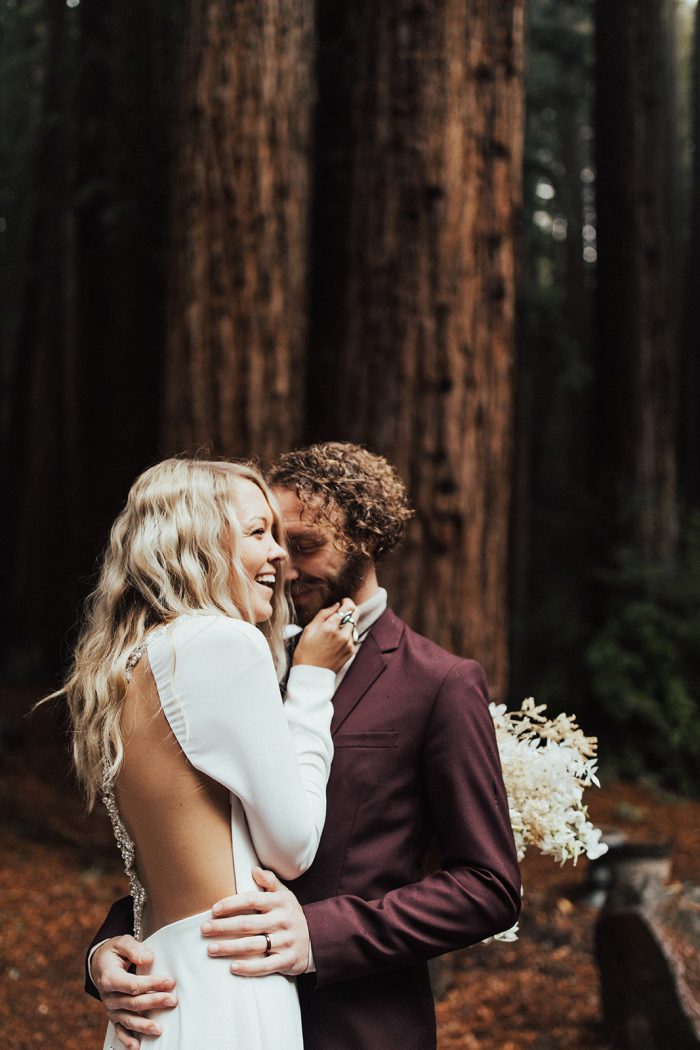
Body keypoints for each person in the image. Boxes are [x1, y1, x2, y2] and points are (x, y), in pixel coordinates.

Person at [88, 443, 522, 1050]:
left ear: (365, 540)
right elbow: (195, 835)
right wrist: (108, 950)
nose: (285, 565)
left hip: (355, 1027)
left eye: (305, 546)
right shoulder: (230, 648)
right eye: (269, 539)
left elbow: (488, 887)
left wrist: (318, 935)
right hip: (217, 1002)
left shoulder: (438, 682)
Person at [58, 457, 357, 1049]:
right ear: (193, 541)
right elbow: (292, 848)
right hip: (232, 979)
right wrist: (314, 683)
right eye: (257, 533)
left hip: (158, 981)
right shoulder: (224, 643)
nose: (280, 557)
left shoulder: (126, 664)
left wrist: (100, 954)